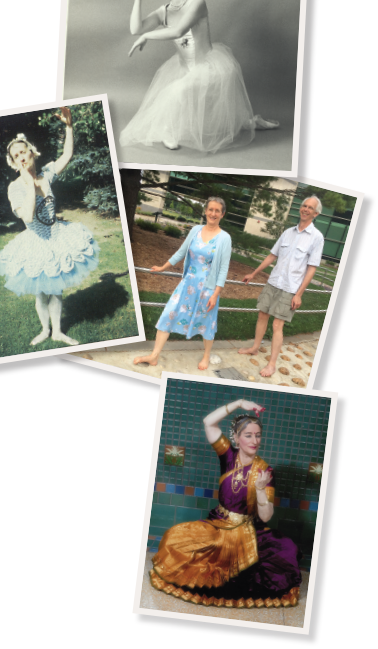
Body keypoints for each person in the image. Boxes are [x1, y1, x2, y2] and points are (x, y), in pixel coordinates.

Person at [150, 399, 302, 608]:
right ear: (237, 438)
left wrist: (259, 489)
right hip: (218, 524)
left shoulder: (265, 472)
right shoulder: (228, 456)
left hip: (249, 530)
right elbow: (208, 422)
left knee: (286, 548)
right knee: (173, 538)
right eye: (248, 435)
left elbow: (266, 516)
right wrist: (239, 403)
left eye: (257, 435)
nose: (254, 440)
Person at [120, 0, 278, 153]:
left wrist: (148, 37)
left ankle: (169, 130)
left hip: (210, 67)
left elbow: (178, 31)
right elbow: (136, 29)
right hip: (184, 68)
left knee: (174, 92)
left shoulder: (197, 2)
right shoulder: (164, 11)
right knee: (206, 115)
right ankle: (249, 121)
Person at [0, 107, 99, 346]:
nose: (21, 157)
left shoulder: (46, 174)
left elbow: (67, 155)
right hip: (36, 242)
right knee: (41, 291)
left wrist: (69, 127)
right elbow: (29, 218)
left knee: (57, 289)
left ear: (32, 152)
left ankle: (58, 331)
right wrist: (29, 184)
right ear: (13, 162)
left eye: (24, 151)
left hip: (58, 236)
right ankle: (44, 329)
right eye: (16, 156)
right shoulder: (15, 188)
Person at [133, 197, 231, 371]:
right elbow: (181, 252)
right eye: (210, 209)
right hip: (187, 284)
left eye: (217, 211)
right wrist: (163, 267)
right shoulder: (195, 230)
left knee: (207, 322)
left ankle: (206, 356)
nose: (213, 213)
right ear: (206, 211)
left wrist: (216, 294)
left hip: (208, 289)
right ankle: (154, 356)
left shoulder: (225, 238)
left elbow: (223, 269)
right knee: (168, 314)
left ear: (222, 214)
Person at [238, 196, 324, 376]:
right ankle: (255, 347)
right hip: (274, 281)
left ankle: (272, 364)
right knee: (262, 315)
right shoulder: (288, 232)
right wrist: (253, 273)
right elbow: (272, 256)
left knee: (278, 325)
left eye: (310, 208)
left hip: (290, 288)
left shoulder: (316, 238)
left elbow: (311, 269)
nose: (305, 209)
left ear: (315, 214)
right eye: (304, 206)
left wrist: (299, 294)